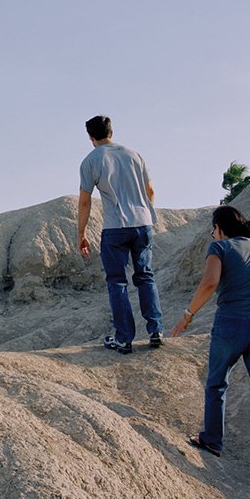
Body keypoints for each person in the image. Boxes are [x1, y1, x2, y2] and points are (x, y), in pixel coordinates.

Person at [172, 205, 250, 487]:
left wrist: (188, 315)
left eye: (213, 229)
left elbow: (210, 283)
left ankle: (212, 440)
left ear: (219, 228)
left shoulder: (219, 248)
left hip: (231, 322)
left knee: (217, 383)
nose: (212, 234)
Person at [77, 115, 164, 354]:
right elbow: (150, 191)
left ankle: (124, 338)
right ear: (111, 132)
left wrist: (81, 233)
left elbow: (84, 202)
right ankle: (156, 331)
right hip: (143, 223)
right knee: (145, 276)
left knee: (117, 282)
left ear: (90, 137)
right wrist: (145, 212)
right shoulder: (134, 155)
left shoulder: (91, 161)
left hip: (115, 226)